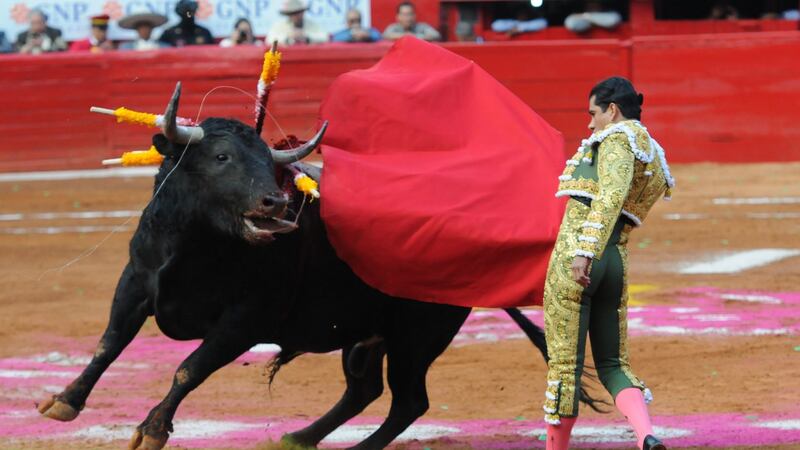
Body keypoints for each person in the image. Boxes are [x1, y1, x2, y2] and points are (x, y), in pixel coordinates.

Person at [541, 76, 674, 450]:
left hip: (580, 259)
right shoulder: (651, 150)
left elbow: (610, 197)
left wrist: (584, 251)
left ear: (612, 110)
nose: (589, 124)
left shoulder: (616, 140)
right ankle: (645, 434)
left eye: (593, 113)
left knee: (565, 369)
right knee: (613, 364)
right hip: (615, 258)